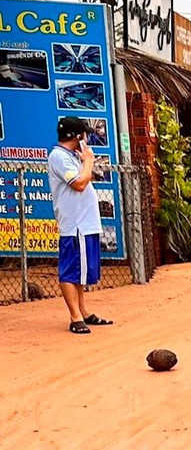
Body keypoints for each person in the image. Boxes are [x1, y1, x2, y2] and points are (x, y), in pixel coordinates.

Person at [49, 116, 109, 334]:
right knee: (70, 272)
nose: (86, 138)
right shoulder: (59, 157)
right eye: (84, 134)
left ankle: (84, 312)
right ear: (77, 137)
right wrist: (89, 160)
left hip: (85, 224)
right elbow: (80, 183)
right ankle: (75, 318)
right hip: (75, 225)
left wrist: (84, 160)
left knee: (80, 273)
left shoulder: (71, 156)